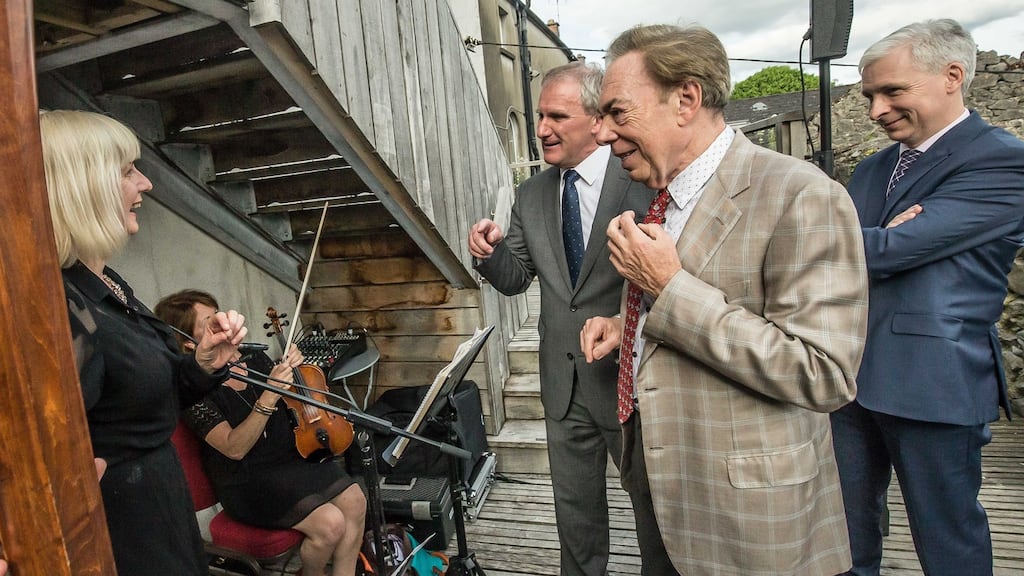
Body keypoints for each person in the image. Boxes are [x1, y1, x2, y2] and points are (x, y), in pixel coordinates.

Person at [579, 24, 869, 575]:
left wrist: (669, 288)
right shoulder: (659, 199)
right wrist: (628, 323)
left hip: (749, 517)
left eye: (618, 112)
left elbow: (823, 371)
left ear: (686, 98)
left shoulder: (801, 194)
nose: (601, 134)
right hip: (662, 488)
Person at [831, 19, 1024, 576]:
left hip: (932, 383)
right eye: (870, 95)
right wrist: (886, 238)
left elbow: (880, 253)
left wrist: (886, 241)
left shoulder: (1002, 160)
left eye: (892, 91)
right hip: (845, 378)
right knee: (844, 539)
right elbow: (846, 247)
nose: (876, 110)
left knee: (948, 543)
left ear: (952, 76)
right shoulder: (872, 168)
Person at [40, 109, 247, 575]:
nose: (146, 184)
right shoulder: (61, 309)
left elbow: (148, 400)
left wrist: (204, 363)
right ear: (84, 185)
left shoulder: (106, 281)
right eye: (128, 171)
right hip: (126, 530)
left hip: (161, 502)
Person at [468, 62, 656, 575]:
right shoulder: (531, 193)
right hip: (562, 385)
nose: (542, 128)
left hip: (628, 383)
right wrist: (488, 253)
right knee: (576, 522)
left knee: (653, 515)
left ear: (597, 119)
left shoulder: (640, 178)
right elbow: (517, 277)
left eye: (557, 116)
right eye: (539, 116)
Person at [155, 289, 367, 576]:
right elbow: (234, 448)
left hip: (288, 461)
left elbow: (291, 398)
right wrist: (267, 396)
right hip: (247, 481)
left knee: (356, 499)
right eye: (209, 321)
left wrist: (294, 367)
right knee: (330, 525)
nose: (222, 323)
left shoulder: (252, 360)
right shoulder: (192, 391)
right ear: (188, 342)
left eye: (219, 314)